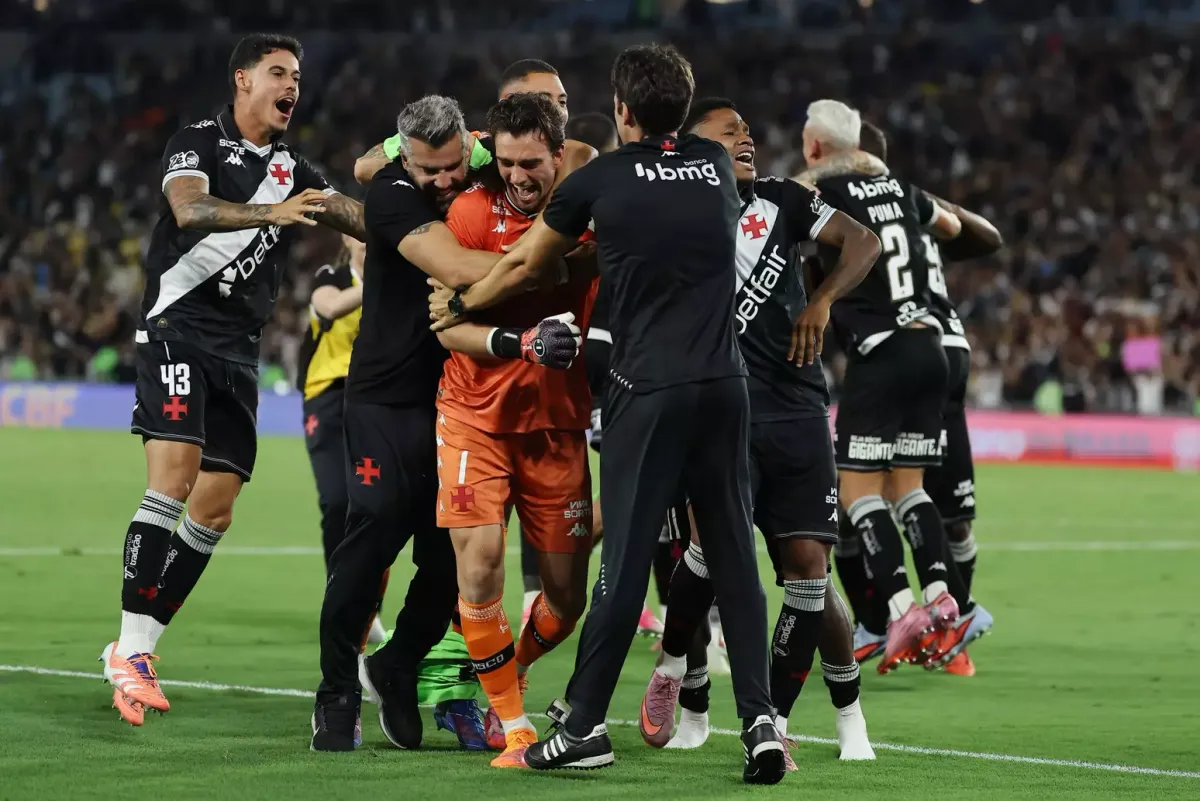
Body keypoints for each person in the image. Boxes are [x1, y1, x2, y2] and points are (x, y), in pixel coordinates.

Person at [430, 44, 785, 784]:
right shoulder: (715, 166)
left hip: (647, 389)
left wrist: (462, 302)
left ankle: (584, 725)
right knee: (733, 557)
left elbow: (529, 264)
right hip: (725, 385)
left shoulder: (601, 179)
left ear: (621, 110)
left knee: (622, 566)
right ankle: (762, 726)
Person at [104, 33, 365, 727]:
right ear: (243, 80)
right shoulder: (198, 142)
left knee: (215, 509)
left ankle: (137, 648)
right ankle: (131, 649)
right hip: (177, 327)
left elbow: (353, 215)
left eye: (297, 76)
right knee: (174, 479)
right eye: (279, 73)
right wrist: (270, 212)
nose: (292, 86)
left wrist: (406, 224)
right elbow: (189, 209)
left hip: (238, 349)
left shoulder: (294, 167)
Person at [311, 95, 585, 752]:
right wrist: (558, 265)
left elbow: (573, 154)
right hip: (384, 396)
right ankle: (337, 689)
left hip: (457, 396)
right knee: (374, 526)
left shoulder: (490, 164)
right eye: (427, 170)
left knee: (452, 560)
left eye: (452, 166)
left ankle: (399, 662)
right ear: (405, 160)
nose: (443, 181)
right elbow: (458, 269)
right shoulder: (392, 194)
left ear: (470, 147)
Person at [642, 98, 879, 764]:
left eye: (747, 130)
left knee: (808, 571)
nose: (745, 138)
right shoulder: (674, 219)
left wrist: (822, 300)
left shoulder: (783, 199)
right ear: (694, 151)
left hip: (799, 410)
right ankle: (673, 667)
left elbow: (864, 242)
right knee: (708, 553)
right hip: (723, 410)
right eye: (729, 132)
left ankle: (770, 720)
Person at [429, 92, 596, 768]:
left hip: (556, 423)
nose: (518, 177)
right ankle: (514, 723)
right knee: (480, 567)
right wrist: (521, 341)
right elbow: (447, 325)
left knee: (565, 598)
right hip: (474, 416)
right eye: (506, 163)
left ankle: (515, 665)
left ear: (559, 154)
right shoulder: (471, 212)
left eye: (532, 163)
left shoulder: (590, 211)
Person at [796, 99, 991, 674]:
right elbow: (953, 228)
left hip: (880, 351)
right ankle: (943, 598)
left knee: (858, 494)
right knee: (911, 489)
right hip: (930, 346)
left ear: (814, 147)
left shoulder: (823, 192)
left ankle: (902, 610)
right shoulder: (903, 190)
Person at [562, 109, 668, 641]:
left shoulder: (574, 198)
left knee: (647, 492)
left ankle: (600, 591)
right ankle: (574, 577)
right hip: (619, 359)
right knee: (645, 491)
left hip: (587, 353)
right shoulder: (618, 194)